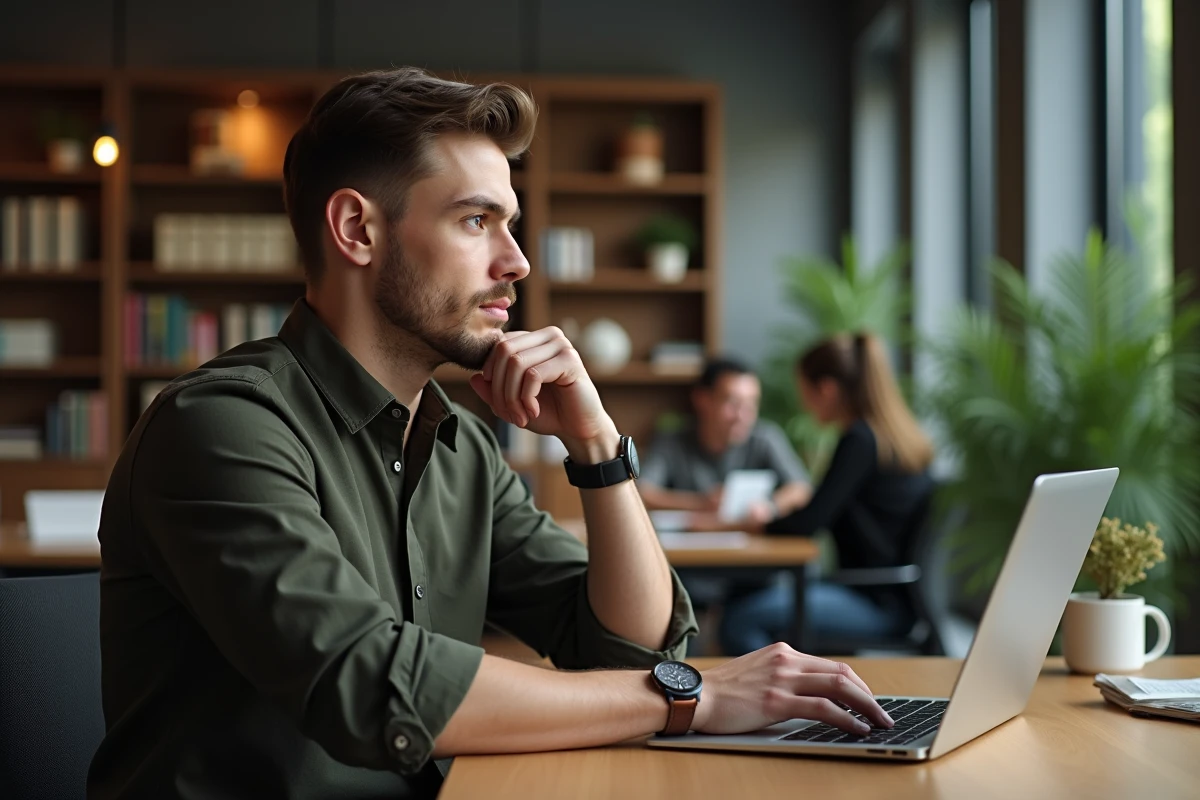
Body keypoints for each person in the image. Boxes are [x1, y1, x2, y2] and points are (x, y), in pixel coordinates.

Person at [86, 68, 891, 799]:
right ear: (357, 231)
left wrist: (598, 448)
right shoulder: (222, 426)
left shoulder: (459, 447)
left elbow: (625, 654)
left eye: (510, 225)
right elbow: (370, 684)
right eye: (478, 221)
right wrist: (699, 696)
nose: (518, 262)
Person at [718, 332, 935, 656]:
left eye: (804, 391)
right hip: (893, 596)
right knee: (751, 600)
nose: (803, 402)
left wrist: (758, 524)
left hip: (873, 603)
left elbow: (810, 521)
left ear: (827, 389)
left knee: (737, 621)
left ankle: (785, 704)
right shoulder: (894, 438)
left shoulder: (859, 441)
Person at [638, 358, 812, 527]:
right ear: (702, 400)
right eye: (733, 402)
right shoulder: (671, 441)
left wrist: (769, 506)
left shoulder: (765, 437)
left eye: (752, 403)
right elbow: (642, 493)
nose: (743, 416)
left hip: (753, 548)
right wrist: (701, 503)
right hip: (688, 550)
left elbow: (801, 489)